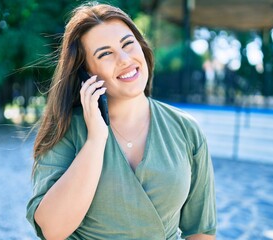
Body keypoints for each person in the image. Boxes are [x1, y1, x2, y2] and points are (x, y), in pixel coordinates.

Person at [26, 2, 216, 240]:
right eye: (105, 53)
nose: (125, 59)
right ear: (86, 73)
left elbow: (201, 229)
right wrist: (95, 140)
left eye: (128, 44)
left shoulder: (186, 129)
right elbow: (52, 230)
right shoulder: (67, 130)